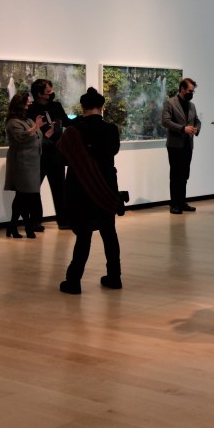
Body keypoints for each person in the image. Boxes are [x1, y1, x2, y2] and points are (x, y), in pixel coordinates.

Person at [58, 88, 125, 294]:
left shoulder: (73, 130)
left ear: (82, 107)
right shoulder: (111, 129)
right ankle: (114, 276)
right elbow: (113, 151)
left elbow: (63, 159)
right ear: (102, 107)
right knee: (109, 232)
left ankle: (74, 281)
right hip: (106, 187)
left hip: (81, 187)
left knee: (84, 235)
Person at [27, 78, 71, 230]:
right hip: (38, 154)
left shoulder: (56, 106)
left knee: (60, 188)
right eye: (48, 91)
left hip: (56, 153)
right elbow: (29, 133)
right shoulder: (31, 110)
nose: (51, 93)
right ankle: (35, 221)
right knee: (34, 188)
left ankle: (64, 221)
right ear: (39, 94)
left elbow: (66, 122)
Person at [5, 92, 49, 238]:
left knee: (23, 197)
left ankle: (13, 226)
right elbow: (21, 137)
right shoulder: (13, 122)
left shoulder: (28, 120)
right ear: (20, 105)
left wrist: (46, 132)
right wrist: (35, 127)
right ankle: (26, 227)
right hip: (21, 163)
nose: (29, 106)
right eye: (27, 103)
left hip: (33, 163)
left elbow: (36, 137)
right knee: (25, 196)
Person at [162, 78, 201, 214]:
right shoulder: (170, 102)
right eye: (190, 90)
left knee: (185, 175)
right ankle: (174, 204)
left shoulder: (192, 106)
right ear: (182, 89)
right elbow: (165, 121)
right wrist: (183, 129)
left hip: (188, 145)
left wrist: (196, 128)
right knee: (175, 175)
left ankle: (182, 202)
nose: (192, 93)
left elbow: (197, 120)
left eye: (193, 91)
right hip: (175, 145)